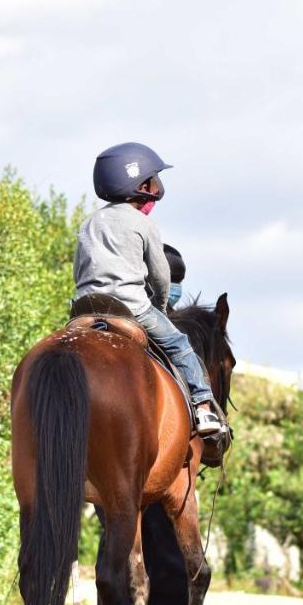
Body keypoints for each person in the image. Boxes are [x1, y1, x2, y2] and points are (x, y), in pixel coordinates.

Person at [87, 242, 209, 605]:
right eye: (171, 283)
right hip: (159, 455)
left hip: (109, 457)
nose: (173, 291)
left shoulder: (100, 330)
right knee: (159, 545)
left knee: (118, 539)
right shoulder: (161, 332)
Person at [73, 142, 224, 437]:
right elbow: (159, 274)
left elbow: (79, 269)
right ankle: (204, 407)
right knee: (180, 345)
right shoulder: (143, 222)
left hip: (84, 307)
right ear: (139, 184)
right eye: (152, 180)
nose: (155, 186)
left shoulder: (88, 224)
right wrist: (162, 302)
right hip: (130, 307)